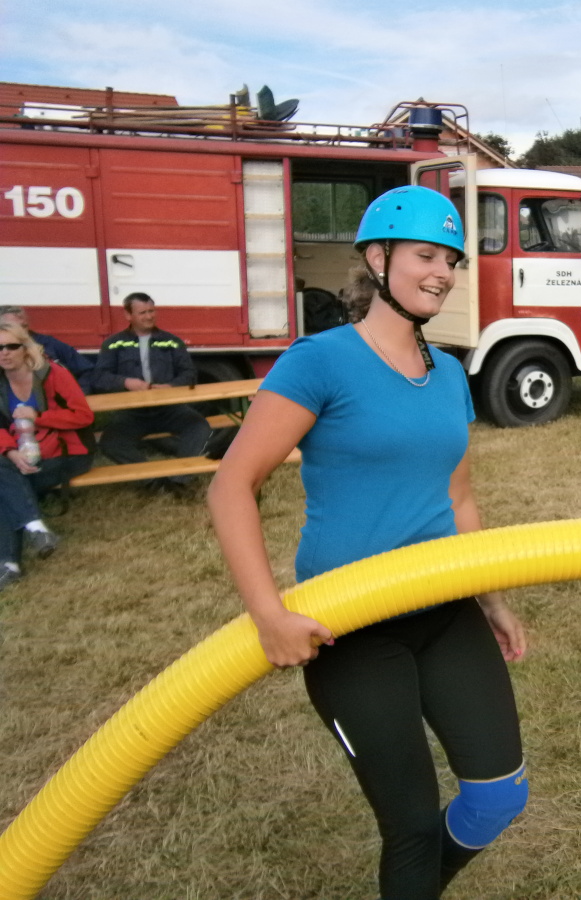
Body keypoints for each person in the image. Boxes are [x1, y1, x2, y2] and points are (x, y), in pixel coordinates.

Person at [208, 185, 528, 900]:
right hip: (351, 626)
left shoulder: (449, 373)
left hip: (445, 608)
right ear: (378, 258)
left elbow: (458, 498)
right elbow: (231, 487)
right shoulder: (319, 361)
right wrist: (269, 615)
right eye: (426, 256)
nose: (443, 273)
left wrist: (493, 601)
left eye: (451, 260)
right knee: (411, 827)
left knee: (498, 797)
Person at [0, 322, 94, 587]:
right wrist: (11, 452)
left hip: (65, 452)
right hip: (21, 455)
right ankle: (36, 529)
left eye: (11, 346)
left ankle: (8, 563)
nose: (4, 353)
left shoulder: (52, 373)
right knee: (5, 478)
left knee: (5, 490)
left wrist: (39, 416)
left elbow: (83, 416)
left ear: (25, 348)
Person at [93, 292, 212, 496]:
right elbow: (99, 378)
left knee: (199, 427)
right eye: (142, 313)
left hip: (170, 409)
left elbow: (189, 373)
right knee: (111, 443)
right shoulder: (113, 344)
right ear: (128, 315)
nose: (149, 316)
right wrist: (125, 382)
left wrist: (171, 386)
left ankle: (180, 480)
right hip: (132, 412)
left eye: (152, 311)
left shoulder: (172, 342)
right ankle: (151, 481)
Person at [0, 305, 96, 394]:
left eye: (24, 326)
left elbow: (86, 369)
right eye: (15, 327)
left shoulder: (49, 343)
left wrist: (79, 393)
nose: (23, 331)